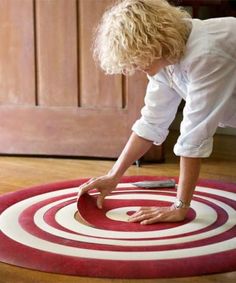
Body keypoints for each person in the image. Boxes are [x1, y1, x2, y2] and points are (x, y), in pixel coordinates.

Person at [78, 0, 236, 224]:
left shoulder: (206, 53)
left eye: (137, 56)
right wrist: (114, 176)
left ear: (153, 41)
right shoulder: (166, 59)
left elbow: (194, 134)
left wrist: (179, 207)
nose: (136, 67)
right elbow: (152, 122)